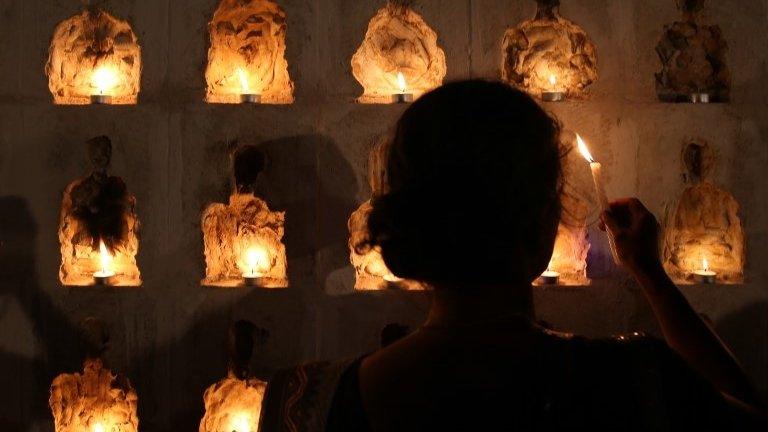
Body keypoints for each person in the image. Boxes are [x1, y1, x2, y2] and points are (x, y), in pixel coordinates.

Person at [259, 80, 767, 431]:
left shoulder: (302, 404)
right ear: (546, 221)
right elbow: (745, 410)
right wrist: (651, 275)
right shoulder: (638, 381)